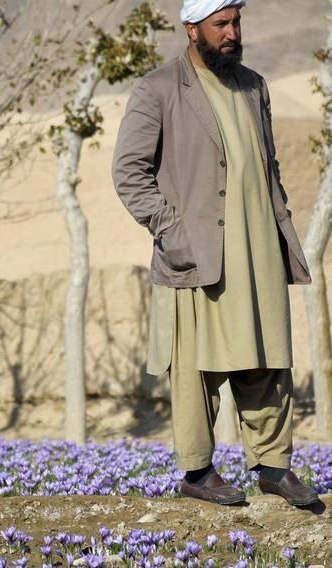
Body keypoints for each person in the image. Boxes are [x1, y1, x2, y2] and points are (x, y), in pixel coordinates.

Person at [111, 0, 320, 507]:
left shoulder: (253, 86)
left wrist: (278, 228)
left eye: (236, 22)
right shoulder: (159, 88)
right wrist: (172, 230)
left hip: (258, 250)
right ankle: (198, 473)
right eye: (220, 24)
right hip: (197, 255)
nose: (232, 33)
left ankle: (272, 467)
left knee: (268, 360)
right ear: (191, 29)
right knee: (196, 368)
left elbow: (267, 168)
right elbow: (128, 172)